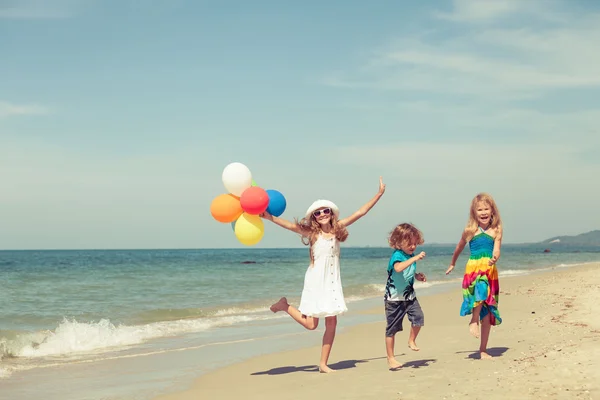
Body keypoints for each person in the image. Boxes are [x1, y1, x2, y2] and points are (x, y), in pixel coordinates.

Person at [262, 177, 385, 373]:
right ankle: (285, 306)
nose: (321, 214)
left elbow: (360, 213)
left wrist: (378, 194)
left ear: (331, 213)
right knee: (311, 325)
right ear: (313, 218)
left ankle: (323, 364)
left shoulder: (337, 230)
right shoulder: (312, 233)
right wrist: (271, 218)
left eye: (325, 211)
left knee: (332, 322)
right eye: (317, 213)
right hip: (315, 282)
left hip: (332, 282)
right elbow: (290, 226)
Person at [446, 193, 503, 359]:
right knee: (480, 288)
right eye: (480, 209)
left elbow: (497, 249)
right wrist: (452, 263)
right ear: (474, 212)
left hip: (490, 269)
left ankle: (483, 349)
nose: (483, 212)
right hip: (474, 269)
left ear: (492, 210)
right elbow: (459, 248)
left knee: (489, 313)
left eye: (486, 208)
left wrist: (495, 257)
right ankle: (473, 319)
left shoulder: (496, 229)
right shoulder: (469, 230)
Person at [384, 223, 426, 370]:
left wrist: (417, 276)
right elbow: (398, 268)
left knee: (419, 319)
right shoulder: (397, 256)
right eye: (409, 243)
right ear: (398, 242)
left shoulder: (410, 255)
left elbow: (405, 273)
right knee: (392, 329)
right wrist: (414, 260)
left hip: (409, 297)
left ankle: (411, 340)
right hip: (394, 300)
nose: (413, 246)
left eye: (415, 243)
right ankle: (391, 358)